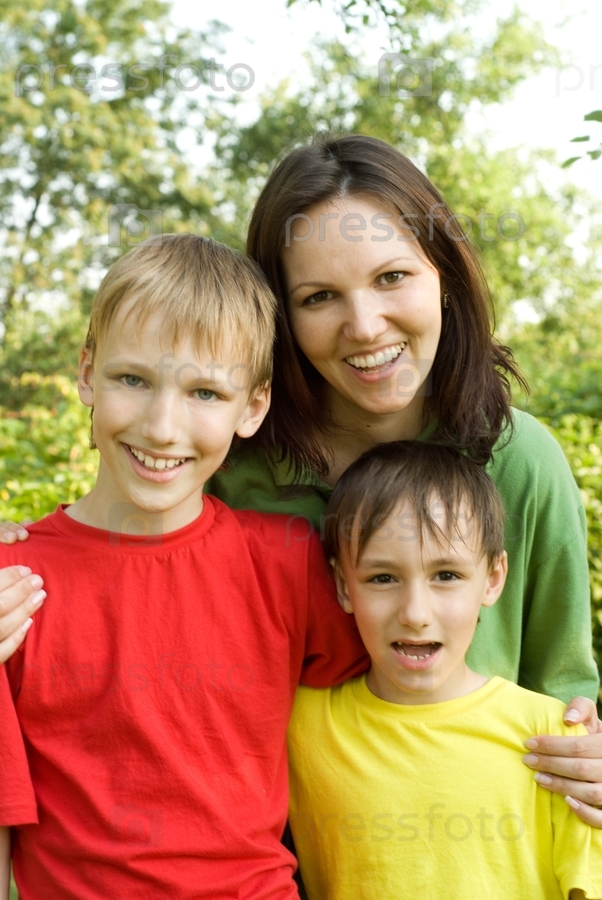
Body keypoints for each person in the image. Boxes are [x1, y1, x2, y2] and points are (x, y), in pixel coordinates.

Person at [1, 133, 601, 820]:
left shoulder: (522, 461)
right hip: (278, 864)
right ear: (282, 321)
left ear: (444, 277)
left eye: (392, 277)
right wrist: (20, 555)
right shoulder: (233, 464)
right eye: (319, 297)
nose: (365, 325)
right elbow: (127, 564)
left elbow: (565, 699)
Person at [0, 234, 367, 899]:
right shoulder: (12, 586)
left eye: (204, 393)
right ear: (87, 373)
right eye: (133, 379)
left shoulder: (287, 563)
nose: (163, 426)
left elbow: (414, 695)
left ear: (252, 407)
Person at [287, 440, 602, 899]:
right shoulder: (299, 723)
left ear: (493, 579)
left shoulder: (558, 738)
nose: (415, 612)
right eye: (382, 578)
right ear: (343, 585)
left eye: (446, 575)